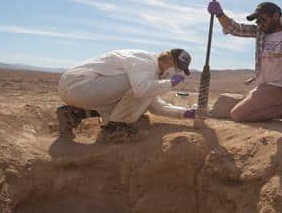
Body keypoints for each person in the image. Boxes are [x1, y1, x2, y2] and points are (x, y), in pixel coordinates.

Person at [56, 48, 195, 143]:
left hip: (81, 90)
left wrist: (187, 113)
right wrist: (170, 82)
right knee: (139, 89)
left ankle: (74, 114)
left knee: (138, 98)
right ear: (168, 61)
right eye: (177, 69)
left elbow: (156, 106)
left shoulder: (151, 72)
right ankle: (114, 129)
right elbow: (141, 90)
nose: (175, 73)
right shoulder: (145, 62)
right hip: (78, 85)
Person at [207, 1, 282, 122]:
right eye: (257, 21)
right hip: (264, 86)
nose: (260, 24)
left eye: (263, 19)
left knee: (237, 114)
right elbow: (236, 29)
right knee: (235, 108)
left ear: (276, 16)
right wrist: (220, 14)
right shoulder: (261, 33)